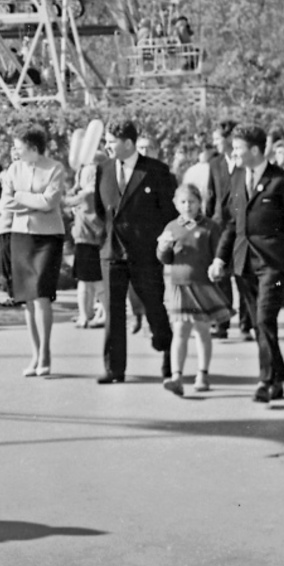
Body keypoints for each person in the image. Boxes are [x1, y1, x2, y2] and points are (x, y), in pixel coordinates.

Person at [210, 126, 284, 403]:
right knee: (259, 324)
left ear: (254, 150)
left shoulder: (283, 181)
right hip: (244, 264)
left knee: (264, 319)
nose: (233, 153)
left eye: (238, 148)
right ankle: (278, 374)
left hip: (274, 265)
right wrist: (220, 257)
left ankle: (267, 381)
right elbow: (232, 223)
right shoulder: (238, 177)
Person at [93, 121, 176, 384]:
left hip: (144, 252)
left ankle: (166, 349)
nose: (106, 146)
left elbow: (169, 214)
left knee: (153, 305)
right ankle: (114, 368)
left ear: (128, 143)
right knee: (113, 311)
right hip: (112, 250)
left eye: (111, 141)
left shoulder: (156, 172)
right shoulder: (103, 169)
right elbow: (99, 209)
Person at [0, 123, 67, 377]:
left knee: (42, 294)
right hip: (21, 236)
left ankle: (46, 353)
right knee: (27, 298)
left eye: (19, 147)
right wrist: (31, 201)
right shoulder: (13, 169)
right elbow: (5, 203)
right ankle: (35, 353)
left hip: (48, 237)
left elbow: (50, 202)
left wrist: (21, 197)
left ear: (33, 148)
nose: (15, 151)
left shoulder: (55, 168)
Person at [157, 184, 229, 394]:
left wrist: (218, 268)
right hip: (179, 286)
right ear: (175, 204)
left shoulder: (209, 227)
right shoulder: (171, 227)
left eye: (192, 202)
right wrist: (163, 248)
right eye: (183, 202)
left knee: (201, 329)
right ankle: (176, 376)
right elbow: (165, 258)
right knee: (179, 330)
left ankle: (202, 374)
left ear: (200, 203)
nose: (188, 206)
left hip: (202, 285)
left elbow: (218, 254)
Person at [67, 155, 106, 329]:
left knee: (85, 282)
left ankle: (85, 315)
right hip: (99, 240)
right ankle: (101, 313)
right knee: (99, 282)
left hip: (85, 240)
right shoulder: (103, 193)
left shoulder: (86, 194)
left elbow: (63, 202)